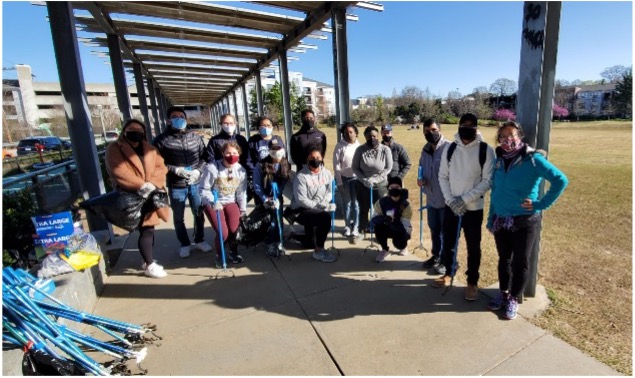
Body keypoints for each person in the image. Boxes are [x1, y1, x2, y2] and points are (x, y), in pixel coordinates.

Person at [486, 121, 568, 320]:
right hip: (501, 220)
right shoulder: (499, 160)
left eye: (512, 135)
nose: (508, 140)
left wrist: (540, 204)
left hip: (524, 220)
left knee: (520, 261)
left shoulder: (533, 159)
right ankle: (503, 293)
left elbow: (560, 180)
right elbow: (496, 191)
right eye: (503, 136)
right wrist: (491, 217)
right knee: (503, 259)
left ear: (519, 136)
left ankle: (514, 298)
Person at [433, 113, 495, 302]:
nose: (466, 128)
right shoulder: (450, 148)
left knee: (473, 247)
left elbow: (487, 181)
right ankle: (449, 273)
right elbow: (443, 176)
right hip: (451, 206)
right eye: (463, 125)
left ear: (476, 128)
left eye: (470, 125)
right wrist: (451, 201)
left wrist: (464, 199)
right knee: (449, 243)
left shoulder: (486, 150)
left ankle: (472, 282)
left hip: (473, 208)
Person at [105, 119, 170, 278]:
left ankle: (147, 260)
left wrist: (153, 184)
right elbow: (118, 171)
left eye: (139, 130)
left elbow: (160, 167)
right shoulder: (114, 149)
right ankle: (149, 265)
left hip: (151, 194)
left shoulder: (150, 149)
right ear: (124, 131)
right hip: (131, 195)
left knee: (149, 228)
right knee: (145, 229)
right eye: (131, 129)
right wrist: (140, 185)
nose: (135, 133)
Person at [153, 106, 212, 258]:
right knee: (179, 216)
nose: (179, 119)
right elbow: (156, 162)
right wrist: (175, 170)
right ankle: (184, 244)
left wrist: (198, 171)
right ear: (168, 120)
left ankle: (200, 239)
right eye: (174, 116)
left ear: (186, 119)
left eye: (181, 116)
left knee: (198, 212)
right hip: (176, 184)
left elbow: (204, 157)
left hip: (195, 181)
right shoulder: (161, 140)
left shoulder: (195, 137)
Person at [199, 141, 248, 266]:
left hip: (230, 201)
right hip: (215, 202)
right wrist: (212, 201)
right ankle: (220, 255)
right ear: (222, 153)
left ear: (239, 154)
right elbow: (204, 189)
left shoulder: (241, 171)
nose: (231, 156)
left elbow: (241, 192)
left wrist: (242, 210)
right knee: (223, 232)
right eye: (228, 153)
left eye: (234, 153)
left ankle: (233, 251)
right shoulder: (212, 168)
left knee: (234, 229)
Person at [290, 145, 337, 263]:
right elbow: (301, 200)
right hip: (301, 210)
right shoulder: (301, 176)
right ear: (307, 159)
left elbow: (330, 191)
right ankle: (319, 251)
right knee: (325, 218)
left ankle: (294, 236)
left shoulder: (327, 173)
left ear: (322, 159)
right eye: (312, 157)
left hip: (318, 207)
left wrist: (325, 202)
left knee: (310, 243)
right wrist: (319, 206)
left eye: (318, 157)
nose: (315, 160)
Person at [417, 118, 451, 275]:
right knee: (434, 230)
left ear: (440, 129)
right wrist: (421, 179)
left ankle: (446, 261)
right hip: (431, 199)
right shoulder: (424, 150)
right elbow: (422, 169)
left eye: (433, 130)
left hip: (447, 200)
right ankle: (436, 256)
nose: (430, 133)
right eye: (427, 131)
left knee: (446, 232)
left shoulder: (449, 148)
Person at [252, 138, 291, 257]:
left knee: (278, 220)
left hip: (277, 198)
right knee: (269, 222)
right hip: (264, 199)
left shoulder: (285, 164)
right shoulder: (261, 165)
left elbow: (284, 182)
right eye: (273, 149)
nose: (276, 151)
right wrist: (265, 199)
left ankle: (279, 241)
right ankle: (269, 243)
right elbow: (256, 184)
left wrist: (277, 196)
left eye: (278, 148)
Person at [351, 125, 392, 237]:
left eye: (374, 136)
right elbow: (355, 167)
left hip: (380, 184)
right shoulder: (360, 150)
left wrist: (375, 179)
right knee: (363, 208)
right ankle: (362, 230)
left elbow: (388, 168)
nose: (372, 138)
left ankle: (380, 231)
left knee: (380, 209)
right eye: (369, 136)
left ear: (378, 136)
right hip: (363, 185)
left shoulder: (385, 149)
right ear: (365, 137)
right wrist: (363, 180)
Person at [371, 177, 413, 263]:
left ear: (401, 188)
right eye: (391, 187)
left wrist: (395, 220)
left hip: (400, 228)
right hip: (386, 226)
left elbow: (405, 226)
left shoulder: (406, 205)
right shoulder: (381, 202)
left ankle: (403, 246)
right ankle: (384, 249)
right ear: (388, 189)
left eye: (397, 187)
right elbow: (373, 219)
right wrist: (384, 219)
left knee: (399, 244)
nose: (394, 189)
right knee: (378, 228)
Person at [332, 122, 361, 238]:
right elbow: (336, 165)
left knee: (356, 204)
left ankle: (356, 226)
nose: (349, 134)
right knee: (347, 204)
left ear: (356, 133)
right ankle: (348, 225)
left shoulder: (360, 147)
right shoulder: (339, 146)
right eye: (346, 132)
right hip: (344, 179)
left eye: (351, 132)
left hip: (357, 179)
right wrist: (339, 182)